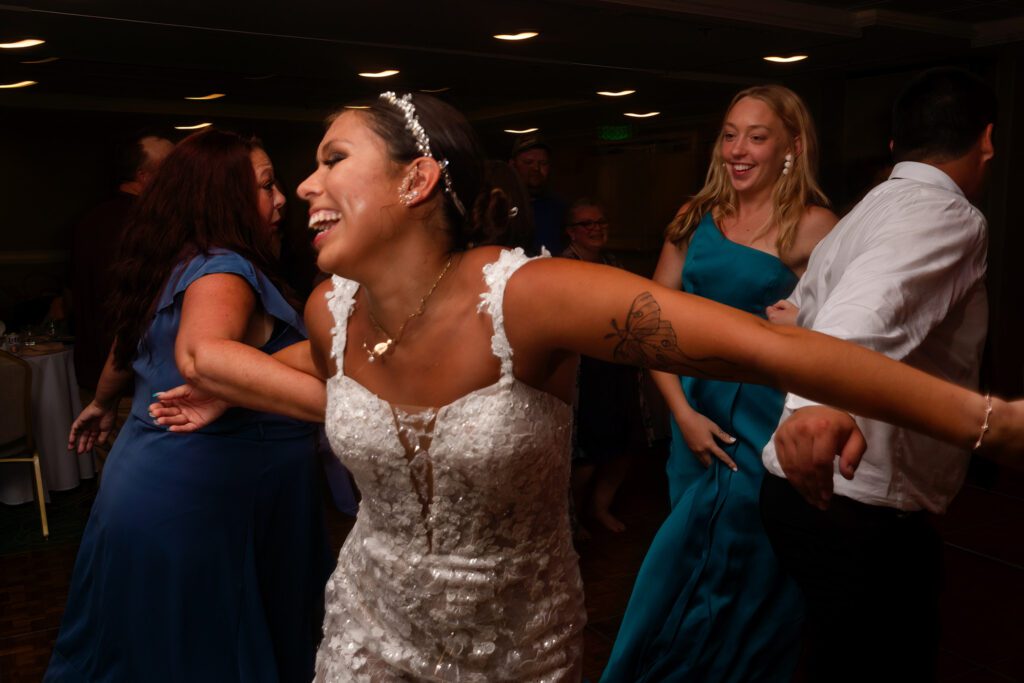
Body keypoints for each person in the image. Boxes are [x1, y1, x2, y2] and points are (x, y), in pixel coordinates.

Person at [150, 91, 1024, 681]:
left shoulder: (532, 298)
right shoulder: (328, 311)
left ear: (417, 180)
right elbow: (347, 367)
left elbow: (768, 350)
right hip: (365, 623)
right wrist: (241, 385)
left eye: (332, 159)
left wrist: (989, 420)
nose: (306, 185)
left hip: (510, 642)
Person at [46, 129, 330, 683]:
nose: (281, 200)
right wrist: (226, 382)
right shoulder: (225, 270)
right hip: (207, 498)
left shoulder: (177, 260)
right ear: (221, 198)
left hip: (147, 479)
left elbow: (124, 348)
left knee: (144, 647)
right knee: (205, 651)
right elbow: (203, 352)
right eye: (266, 186)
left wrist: (104, 402)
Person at [759, 67, 997, 683]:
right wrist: (812, 407)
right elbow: (865, 314)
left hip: (806, 494)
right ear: (987, 141)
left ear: (896, 145)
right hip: (854, 497)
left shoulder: (869, 209)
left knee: (834, 655)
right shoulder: (947, 213)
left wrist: (800, 325)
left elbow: (808, 312)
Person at [600, 84, 837, 682]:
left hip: (763, 419)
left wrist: (803, 322)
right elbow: (646, 322)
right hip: (694, 413)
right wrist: (680, 412)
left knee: (752, 561)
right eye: (730, 134)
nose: (738, 149)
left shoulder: (815, 227)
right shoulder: (693, 217)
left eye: (757, 137)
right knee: (689, 556)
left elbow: (843, 334)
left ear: (792, 146)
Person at [561, 199, 650, 534]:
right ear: (571, 232)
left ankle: (600, 508)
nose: (596, 229)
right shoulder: (561, 266)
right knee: (586, 452)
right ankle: (573, 518)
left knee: (624, 443)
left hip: (618, 364)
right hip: (584, 371)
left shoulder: (614, 263)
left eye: (601, 222)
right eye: (587, 224)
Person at [71, 131, 175, 394]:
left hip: (94, 371)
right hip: (136, 378)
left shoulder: (89, 220)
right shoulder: (152, 226)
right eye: (172, 168)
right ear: (144, 177)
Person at [509, 135, 566, 254]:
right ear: (513, 165)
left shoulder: (559, 208)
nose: (536, 168)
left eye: (543, 163)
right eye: (528, 162)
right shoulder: (500, 206)